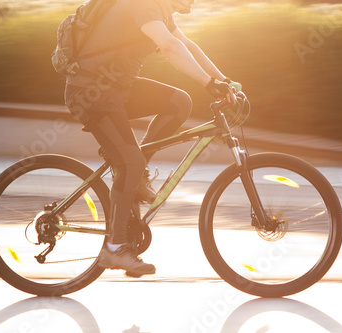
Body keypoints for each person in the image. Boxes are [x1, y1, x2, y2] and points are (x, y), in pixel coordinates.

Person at [64, 0, 239, 277]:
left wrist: (224, 83)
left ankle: (136, 172)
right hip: (92, 94)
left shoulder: (160, 10)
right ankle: (114, 247)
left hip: (117, 90)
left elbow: (187, 46)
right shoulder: (144, 4)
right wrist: (208, 83)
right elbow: (169, 47)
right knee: (129, 163)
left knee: (179, 103)